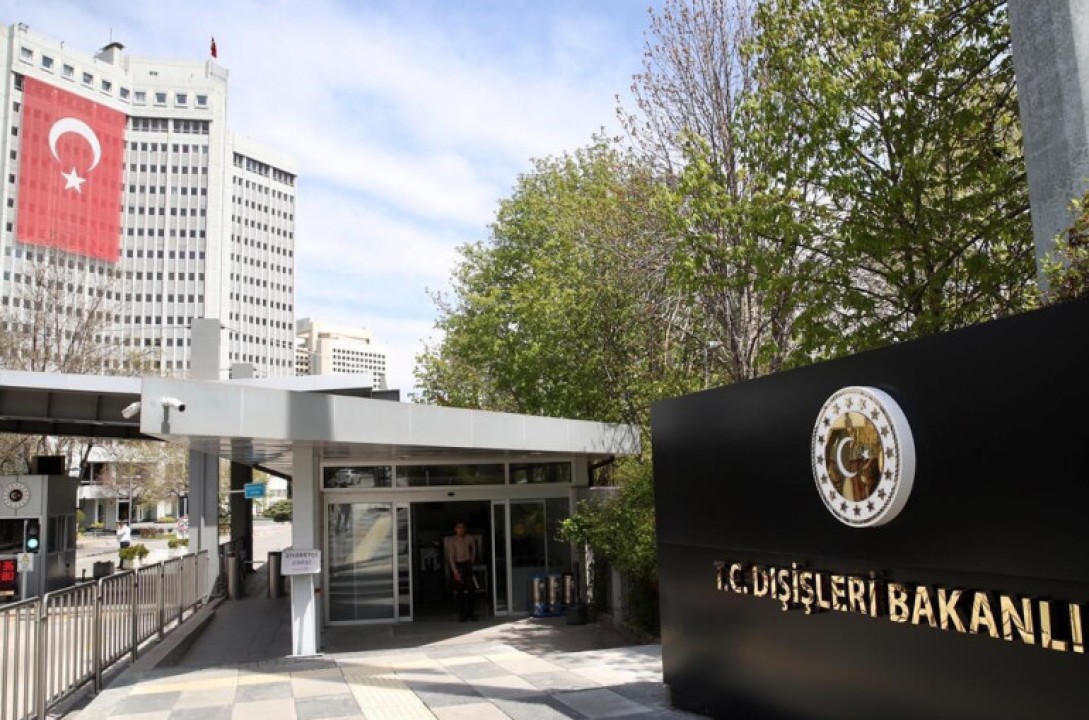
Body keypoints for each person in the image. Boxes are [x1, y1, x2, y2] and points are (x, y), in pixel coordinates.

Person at [448, 521, 478, 621]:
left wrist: (472, 560)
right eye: (459, 527)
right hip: (458, 564)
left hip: (467, 563)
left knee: (471, 590)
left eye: (462, 527)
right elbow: (451, 557)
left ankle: (471, 613)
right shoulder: (452, 540)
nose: (461, 530)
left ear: (465, 529)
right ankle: (462, 614)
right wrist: (455, 571)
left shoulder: (469, 538)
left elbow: (474, 548)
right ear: (455, 529)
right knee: (460, 591)